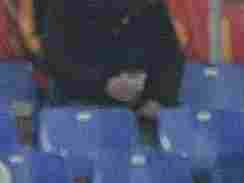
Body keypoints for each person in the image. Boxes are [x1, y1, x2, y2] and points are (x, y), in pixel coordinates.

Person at [40, 0, 182, 119]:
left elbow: (170, 56)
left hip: (140, 108)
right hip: (77, 103)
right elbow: (54, 58)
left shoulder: (150, 5)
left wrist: (160, 98)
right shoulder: (64, 5)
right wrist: (103, 83)